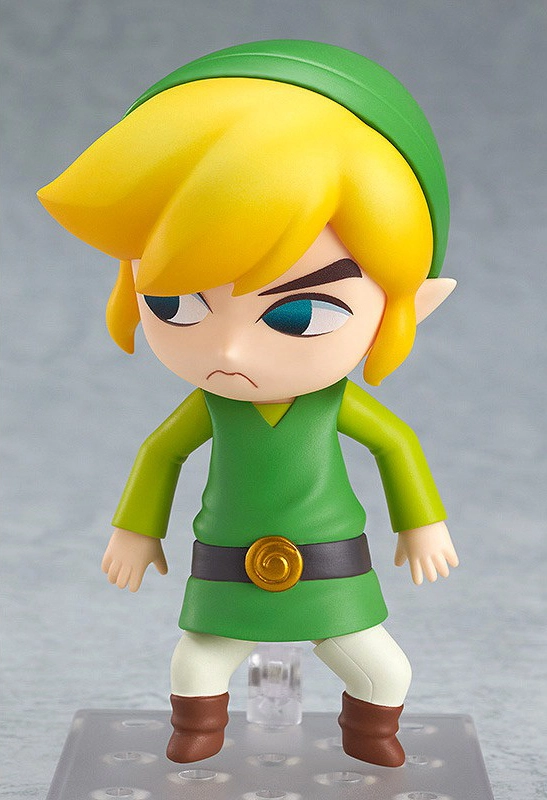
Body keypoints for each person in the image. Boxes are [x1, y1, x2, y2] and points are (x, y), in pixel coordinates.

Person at [38, 40, 459, 768]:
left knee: (384, 671)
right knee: (195, 663)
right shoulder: (213, 406)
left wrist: (421, 523)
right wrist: (136, 531)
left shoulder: (330, 403)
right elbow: (160, 451)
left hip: (331, 562)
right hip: (227, 562)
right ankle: (198, 734)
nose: (230, 351)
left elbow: (395, 443)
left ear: (412, 305)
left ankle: (370, 738)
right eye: (175, 302)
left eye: (299, 314)